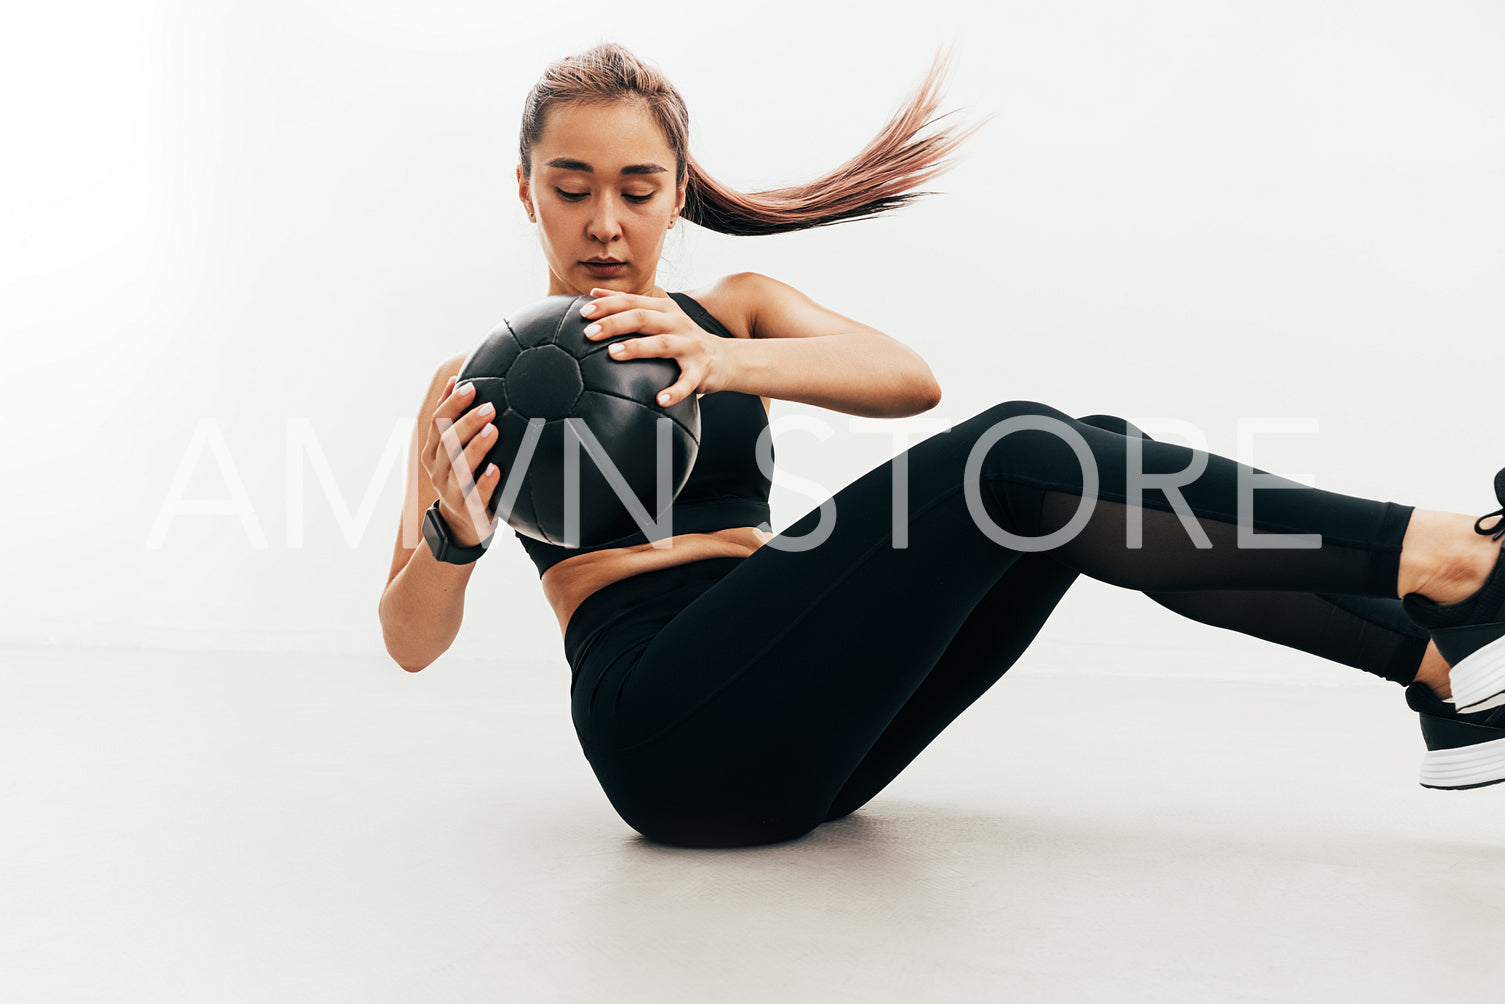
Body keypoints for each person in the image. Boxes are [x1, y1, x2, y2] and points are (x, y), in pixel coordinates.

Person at [378, 43, 1505, 848]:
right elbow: (409, 642)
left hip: (814, 738)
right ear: (526, 191)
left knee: (1073, 471)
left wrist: (724, 360)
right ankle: (1456, 560)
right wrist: (452, 539)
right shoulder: (467, 383)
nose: (605, 224)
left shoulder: (737, 309)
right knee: (1017, 457)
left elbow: (906, 382)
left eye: (636, 188)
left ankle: (1439, 664)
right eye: (571, 189)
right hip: (665, 737)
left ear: (680, 196)